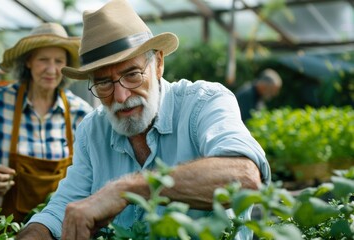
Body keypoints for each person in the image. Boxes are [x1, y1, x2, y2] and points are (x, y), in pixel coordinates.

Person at [17, 0, 271, 239]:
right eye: (104, 83)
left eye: (132, 74)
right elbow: (61, 208)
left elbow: (244, 177)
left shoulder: (203, 102)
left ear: (158, 63)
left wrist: (128, 189)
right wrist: (35, 232)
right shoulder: (92, 131)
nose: (121, 95)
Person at [0, 23, 93, 222]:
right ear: (28, 61)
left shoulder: (79, 111)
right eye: (43, 60)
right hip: (5, 230)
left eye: (59, 61)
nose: (51, 69)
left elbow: (90, 175)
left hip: (60, 227)